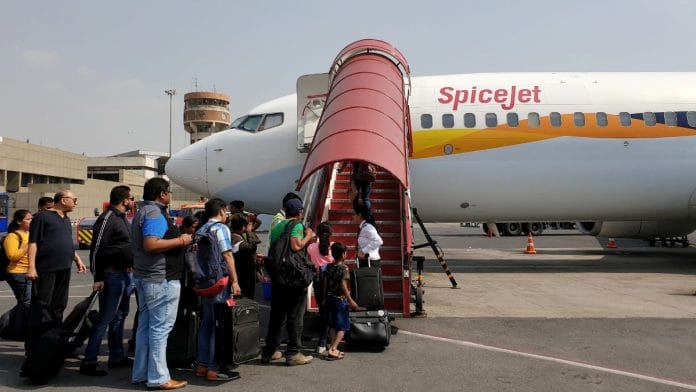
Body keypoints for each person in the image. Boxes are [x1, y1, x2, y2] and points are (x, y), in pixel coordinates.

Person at [130, 178, 192, 390]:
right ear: (162, 194)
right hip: (160, 279)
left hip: (146, 277)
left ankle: (141, 372)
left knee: (146, 327)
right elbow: (151, 243)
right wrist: (181, 240)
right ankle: (158, 377)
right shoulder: (155, 213)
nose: (170, 195)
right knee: (159, 329)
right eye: (168, 192)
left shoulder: (142, 211)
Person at [80, 186, 135, 377]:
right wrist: (98, 277)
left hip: (125, 274)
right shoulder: (107, 219)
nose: (133, 201)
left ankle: (116, 356)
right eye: (131, 198)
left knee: (120, 315)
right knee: (105, 318)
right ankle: (89, 361)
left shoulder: (122, 219)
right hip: (111, 275)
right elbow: (96, 250)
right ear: (124, 200)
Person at [261, 198, 315, 366]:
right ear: (299, 212)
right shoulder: (297, 225)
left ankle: (270, 351)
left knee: (277, 315)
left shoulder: (278, 225)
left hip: (278, 276)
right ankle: (293, 353)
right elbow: (296, 245)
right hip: (293, 277)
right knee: (295, 315)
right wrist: (308, 235)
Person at [194, 198, 242, 381]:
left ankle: (202, 365)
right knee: (218, 325)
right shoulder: (220, 229)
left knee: (206, 323)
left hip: (203, 283)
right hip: (219, 282)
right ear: (222, 210)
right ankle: (215, 368)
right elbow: (228, 255)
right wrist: (235, 281)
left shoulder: (201, 230)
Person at [27, 190, 87, 322]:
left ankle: (54, 335)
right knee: (43, 304)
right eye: (74, 200)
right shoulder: (42, 217)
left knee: (60, 304)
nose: (76, 203)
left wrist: (77, 258)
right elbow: (33, 242)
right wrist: (31, 267)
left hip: (64, 267)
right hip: (46, 269)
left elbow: (65, 242)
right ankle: (36, 339)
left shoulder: (66, 219)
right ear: (63, 200)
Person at [324, 242, 359, 360]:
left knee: (333, 325)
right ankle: (333, 349)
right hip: (340, 300)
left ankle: (333, 347)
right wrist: (351, 300)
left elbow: (325, 282)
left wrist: (324, 296)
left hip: (329, 298)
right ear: (343, 254)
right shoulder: (344, 268)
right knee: (343, 326)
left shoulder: (329, 266)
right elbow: (343, 285)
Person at [306, 221, 334, 354]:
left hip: (317, 281)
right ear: (330, 234)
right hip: (331, 283)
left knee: (323, 311)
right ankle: (325, 340)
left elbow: (309, 261)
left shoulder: (311, 247)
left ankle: (323, 341)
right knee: (330, 312)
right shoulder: (334, 247)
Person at [3, 209, 32, 305]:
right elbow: (12, 256)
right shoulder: (13, 236)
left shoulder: (30, 234)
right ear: (19, 221)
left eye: (32, 219)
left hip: (30, 272)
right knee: (25, 302)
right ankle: (14, 320)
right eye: (28, 219)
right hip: (18, 273)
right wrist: (27, 246)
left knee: (30, 302)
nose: (31, 221)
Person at [229, 213, 260, 299]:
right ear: (243, 226)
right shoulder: (238, 241)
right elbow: (251, 247)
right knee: (244, 301)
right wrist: (249, 231)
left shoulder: (231, 236)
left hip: (237, 274)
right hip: (243, 277)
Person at [353, 202, 382, 268]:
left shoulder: (367, 227)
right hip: (366, 262)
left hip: (370, 263)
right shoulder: (363, 227)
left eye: (354, 214)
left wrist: (363, 251)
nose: (353, 216)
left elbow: (378, 241)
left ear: (359, 215)